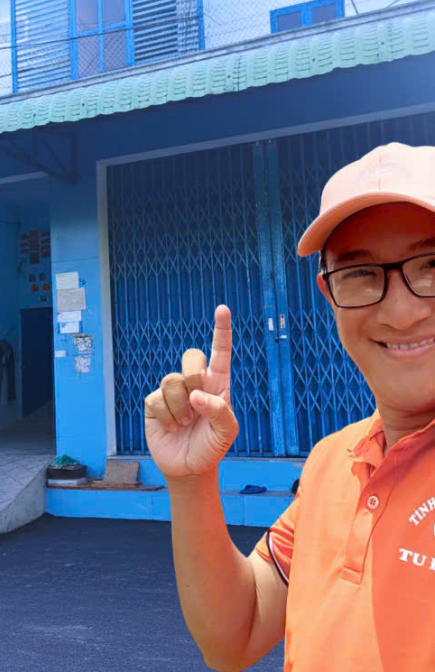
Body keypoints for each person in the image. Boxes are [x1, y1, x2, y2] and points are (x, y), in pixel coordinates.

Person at [145, 142, 435, 671]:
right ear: (329, 295)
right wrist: (192, 483)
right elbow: (236, 635)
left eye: (432, 264)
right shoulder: (331, 461)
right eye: (361, 273)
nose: (400, 311)